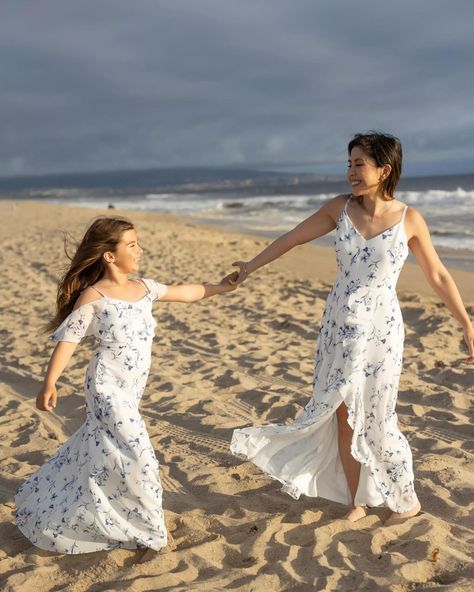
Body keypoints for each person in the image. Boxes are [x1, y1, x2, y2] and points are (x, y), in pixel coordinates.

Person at [229, 132, 474, 526]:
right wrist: (250, 267)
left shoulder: (409, 219)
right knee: (341, 415)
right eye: (349, 164)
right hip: (339, 326)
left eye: (359, 164)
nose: (351, 172)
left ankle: (406, 503)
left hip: (381, 329)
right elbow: (291, 239)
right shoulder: (338, 209)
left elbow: (439, 275)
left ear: (385, 169)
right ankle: (357, 500)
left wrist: (466, 322)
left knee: (378, 416)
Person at [14, 216, 237, 559]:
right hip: (105, 387)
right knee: (140, 454)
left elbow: (185, 293)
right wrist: (49, 382)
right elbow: (69, 341)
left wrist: (220, 287)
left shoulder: (144, 288)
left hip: (132, 390)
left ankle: (66, 503)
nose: (139, 249)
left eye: (137, 242)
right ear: (109, 255)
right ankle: (150, 534)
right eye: (131, 245)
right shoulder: (94, 295)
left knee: (101, 450)